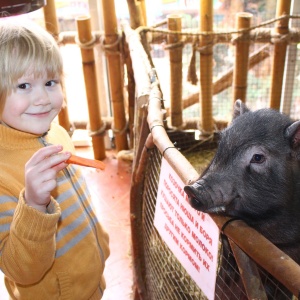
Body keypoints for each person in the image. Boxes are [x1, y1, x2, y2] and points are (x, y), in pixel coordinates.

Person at [0, 20, 109, 299]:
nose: (42, 98)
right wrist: (35, 205)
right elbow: (19, 269)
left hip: (90, 279)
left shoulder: (57, 132)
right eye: (23, 85)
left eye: (50, 82)